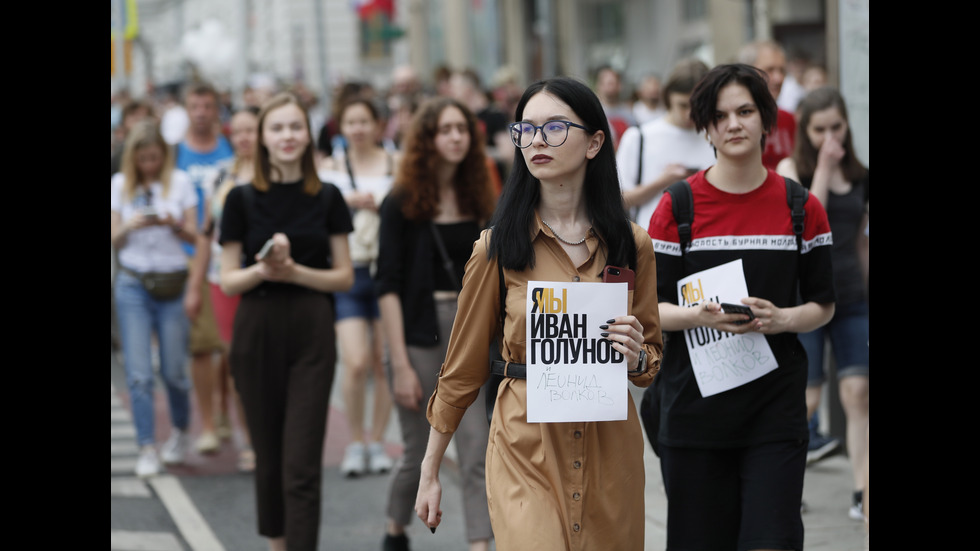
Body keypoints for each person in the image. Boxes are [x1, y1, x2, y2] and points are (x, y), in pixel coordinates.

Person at [414, 77, 663, 551]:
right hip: (524, 443)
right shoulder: (496, 247)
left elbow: (650, 358)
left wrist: (635, 357)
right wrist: (430, 471)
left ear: (594, 142)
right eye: (525, 130)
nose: (536, 141)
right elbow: (461, 369)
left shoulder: (633, 245)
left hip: (609, 448)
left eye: (553, 127)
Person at [644, 63, 835, 551]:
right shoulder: (677, 207)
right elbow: (648, 308)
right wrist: (697, 316)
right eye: (721, 115)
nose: (734, 124)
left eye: (746, 111)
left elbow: (823, 304)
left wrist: (782, 319)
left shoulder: (801, 207)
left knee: (773, 540)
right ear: (705, 126)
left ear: (766, 120)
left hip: (775, 411)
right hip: (693, 412)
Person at [219, 92, 354, 551]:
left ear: (307, 132)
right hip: (255, 324)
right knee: (270, 459)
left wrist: (295, 271)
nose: (287, 136)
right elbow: (227, 280)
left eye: (295, 126)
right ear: (261, 138)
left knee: (301, 461)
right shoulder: (240, 199)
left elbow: (344, 276)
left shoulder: (329, 196)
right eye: (276, 128)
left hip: (312, 323)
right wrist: (263, 268)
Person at [376, 96, 497, 551]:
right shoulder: (401, 203)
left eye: (461, 129)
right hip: (418, 331)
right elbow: (386, 284)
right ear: (427, 139)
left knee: (475, 445)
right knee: (416, 453)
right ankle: (394, 529)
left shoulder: (481, 199)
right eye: (444, 130)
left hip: (470, 329)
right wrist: (400, 363)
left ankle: (479, 544)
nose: (454, 137)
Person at [777, 86, 869, 520]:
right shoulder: (791, 168)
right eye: (819, 129)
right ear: (805, 131)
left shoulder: (860, 174)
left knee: (857, 392)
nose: (830, 135)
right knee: (807, 396)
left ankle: (862, 491)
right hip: (808, 298)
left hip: (852, 295)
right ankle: (784, 486)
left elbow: (860, 241)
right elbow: (804, 223)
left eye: (837, 126)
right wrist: (825, 169)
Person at [111, 120, 198, 477]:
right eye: (143, 158)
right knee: (139, 372)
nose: (149, 164)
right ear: (133, 158)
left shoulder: (180, 183)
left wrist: (170, 223)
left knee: (174, 369)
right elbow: (114, 240)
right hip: (133, 281)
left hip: (172, 281)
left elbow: (195, 235)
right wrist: (130, 225)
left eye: (154, 157)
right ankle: (147, 445)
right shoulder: (119, 185)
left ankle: (180, 430)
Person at [317, 97, 399, 478]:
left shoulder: (395, 164)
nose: (358, 128)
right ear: (341, 127)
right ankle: (354, 441)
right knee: (354, 361)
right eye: (351, 122)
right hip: (349, 272)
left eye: (364, 121)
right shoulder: (330, 169)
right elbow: (318, 214)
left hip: (388, 272)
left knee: (385, 364)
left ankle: (378, 442)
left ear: (377, 124)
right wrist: (348, 201)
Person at [188, 106, 261, 472]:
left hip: (265, 278)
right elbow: (205, 233)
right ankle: (247, 437)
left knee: (264, 359)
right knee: (237, 360)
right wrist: (193, 284)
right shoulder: (220, 175)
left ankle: (265, 432)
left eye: (253, 130)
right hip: (223, 279)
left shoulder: (274, 174)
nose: (246, 138)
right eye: (240, 132)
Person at [177, 81, 237, 456]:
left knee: (229, 347)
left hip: (227, 255)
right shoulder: (175, 153)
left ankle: (224, 408)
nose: (201, 112)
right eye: (194, 106)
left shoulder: (228, 150)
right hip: (188, 253)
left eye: (207, 106)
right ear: (186, 109)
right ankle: (207, 421)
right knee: (202, 346)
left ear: (216, 109)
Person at [616, 58, 715, 231]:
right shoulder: (638, 137)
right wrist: (664, 180)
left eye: (697, 104)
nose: (689, 114)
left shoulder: (717, 137)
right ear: (668, 97)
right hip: (651, 246)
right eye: (683, 105)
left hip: (708, 240)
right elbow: (618, 201)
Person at [738, 41, 796, 170]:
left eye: (782, 70)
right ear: (747, 73)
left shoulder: (789, 119)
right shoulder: (733, 121)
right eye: (770, 70)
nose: (779, 78)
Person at [593, 65, 636, 149]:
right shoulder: (594, 111)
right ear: (599, 86)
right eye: (607, 83)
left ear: (619, 86)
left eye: (613, 83)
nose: (610, 87)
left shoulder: (628, 112)